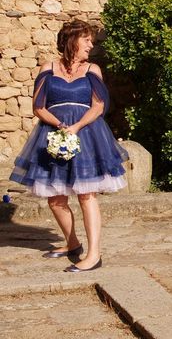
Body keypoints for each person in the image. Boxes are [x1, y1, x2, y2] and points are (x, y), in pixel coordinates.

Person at [10, 19, 128, 272]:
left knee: (87, 194)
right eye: (86, 39)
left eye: (91, 41)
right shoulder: (48, 68)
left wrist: (75, 127)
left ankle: (94, 254)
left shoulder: (93, 69)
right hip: (52, 133)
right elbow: (38, 106)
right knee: (55, 198)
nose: (90, 45)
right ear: (72, 40)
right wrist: (59, 125)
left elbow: (98, 106)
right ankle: (73, 244)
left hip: (86, 133)